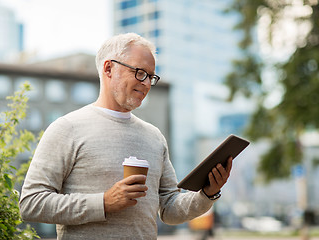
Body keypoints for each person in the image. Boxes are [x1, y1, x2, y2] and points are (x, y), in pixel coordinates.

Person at [19, 33, 233, 240]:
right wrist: (103, 203)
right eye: (140, 72)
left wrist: (207, 194)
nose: (147, 83)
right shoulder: (67, 128)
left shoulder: (154, 137)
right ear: (109, 68)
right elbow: (31, 203)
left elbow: (169, 208)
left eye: (151, 77)